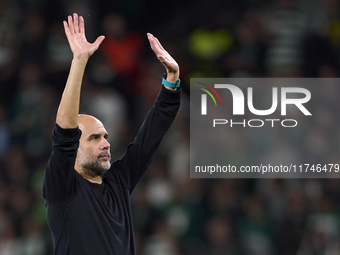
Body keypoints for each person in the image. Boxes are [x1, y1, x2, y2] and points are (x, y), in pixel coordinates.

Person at [43, 13, 181, 255]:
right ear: (73, 149)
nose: (105, 143)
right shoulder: (62, 188)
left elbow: (149, 138)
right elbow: (64, 131)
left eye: (105, 136)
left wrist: (171, 81)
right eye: (94, 138)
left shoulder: (118, 182)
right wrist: (79, 61)